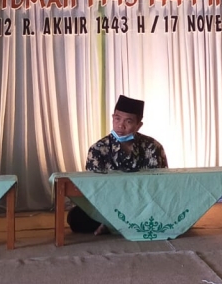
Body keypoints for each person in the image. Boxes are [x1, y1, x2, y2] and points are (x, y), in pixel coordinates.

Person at [67, 94, 168, 235]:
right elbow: (94, 189)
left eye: (128, 121)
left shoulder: (152, 147)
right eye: (117, 119)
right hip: (107, 205)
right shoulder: (98, 148)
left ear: (138, 125)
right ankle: (116, 223)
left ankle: (113, 225)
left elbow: (158, 186)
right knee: (76, 218)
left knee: (176, 209)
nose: (121, 125)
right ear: (113, 118)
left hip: (142, 204)